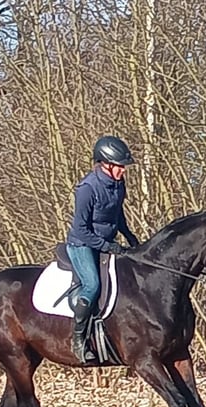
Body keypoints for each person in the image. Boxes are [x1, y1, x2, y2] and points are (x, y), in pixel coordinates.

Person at [65, 135, 140, 363]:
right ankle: (78, 339)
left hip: (106, 241)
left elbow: (118, 214)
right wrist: (107, 246)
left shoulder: (118, 184)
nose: (123, 171)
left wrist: (130, 237)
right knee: (93, 285)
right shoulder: (87, 189)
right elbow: (81, 229)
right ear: (105, 164)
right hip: (82, 244)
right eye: (119, 166)